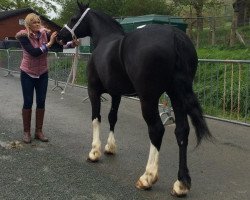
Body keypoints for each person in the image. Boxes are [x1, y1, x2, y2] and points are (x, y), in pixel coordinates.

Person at [15, 13, 78, 143]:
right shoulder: (23, 36)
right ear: (28, 24)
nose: (37, 24)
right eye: (34, 22)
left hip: (42, 72)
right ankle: (26, 132)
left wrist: (72, 43)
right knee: (28, 102)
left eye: (38, 22)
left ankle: (39, 131)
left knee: (41, 101)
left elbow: (59, 47)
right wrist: (49, 44)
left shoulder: (45, 34)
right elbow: (34, 53)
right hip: (27, 72)